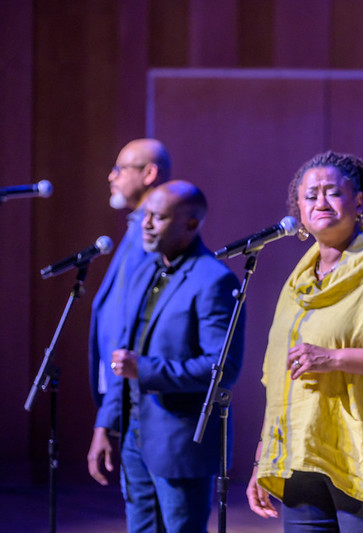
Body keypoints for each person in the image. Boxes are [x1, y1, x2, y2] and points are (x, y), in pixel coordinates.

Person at [246, 150, 363, 532]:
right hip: (302, 454)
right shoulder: (298, 282)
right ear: (299, 211)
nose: (320, 202)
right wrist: (263, 458)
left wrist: (333, 358)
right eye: (310, 195)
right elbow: (279, 377)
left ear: (358, 202)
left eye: (331, 192)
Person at [87, 180, 245, 532]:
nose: (145, 224)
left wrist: (143, 369)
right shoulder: (148, 272)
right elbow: (124, 355)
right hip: (135, 437)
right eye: (146, 215)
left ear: (190, 224)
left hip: (180, 446)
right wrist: (105, 424)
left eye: (157, 218)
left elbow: (222, 368)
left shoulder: (214, 280)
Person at [89, 138, 171, 406]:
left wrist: (113, 406)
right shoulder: (135, 227)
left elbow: (133, 318)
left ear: (149, 173)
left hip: (136, 393)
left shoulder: (153, 237)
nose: (111, 176)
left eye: (120, 168)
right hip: (122, 391)